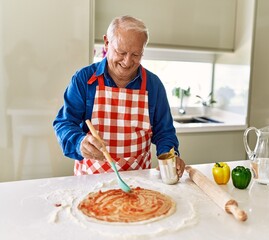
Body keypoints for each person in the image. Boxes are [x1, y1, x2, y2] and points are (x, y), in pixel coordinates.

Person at [53, 15, 185, 177]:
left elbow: (164, 132)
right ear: (107, 42)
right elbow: (65, 123)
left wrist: (171, 157)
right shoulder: (84, 79)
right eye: (121, 52)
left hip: (139, 179)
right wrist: (79, 143)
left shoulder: (153, 85)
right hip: (91, 178)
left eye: (136, 54)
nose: (128, 62)